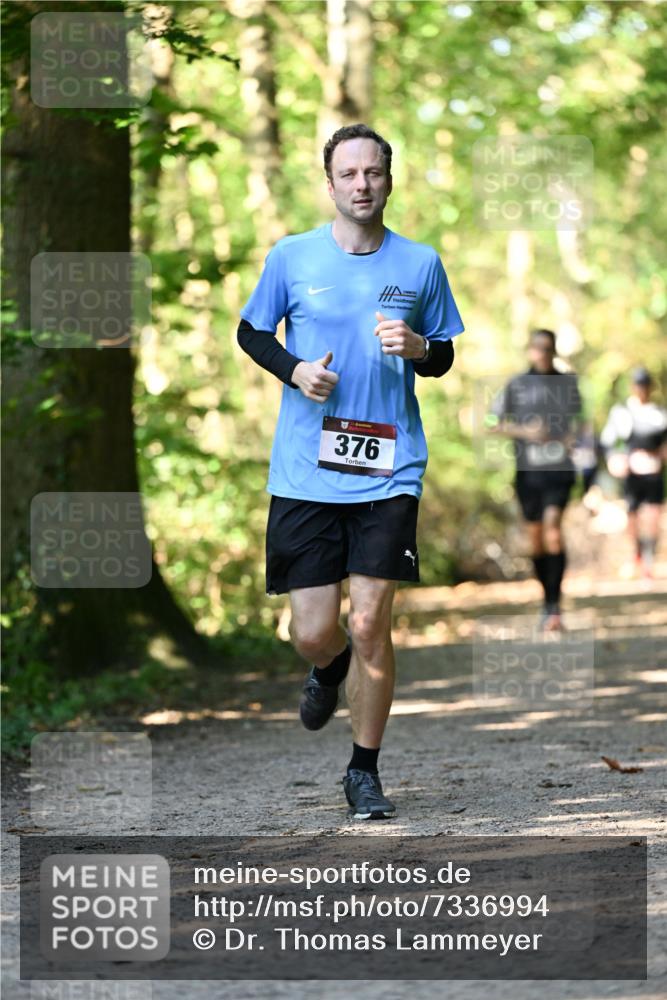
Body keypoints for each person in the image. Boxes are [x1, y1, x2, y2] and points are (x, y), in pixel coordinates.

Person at [237, 123, 464, 819]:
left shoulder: (420, 263)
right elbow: (251, 332)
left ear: (388, 180)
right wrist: (294, 368)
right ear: (329, 183)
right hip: (306, 470)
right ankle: (325, 668)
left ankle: (362, 771)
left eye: (373, 173)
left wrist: (421, 345)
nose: (361, 184)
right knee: (314, 630)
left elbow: (445, 355)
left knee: (369, 621)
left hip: (389, 467)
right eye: (349, 174)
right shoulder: (291, 256)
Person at [487, 329, 582, 632]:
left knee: (553, 530)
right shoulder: (517, 385)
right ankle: (546, 601)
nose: (542, 353)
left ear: (554, 351)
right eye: (537, 348)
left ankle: (555, 606)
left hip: (560, 470)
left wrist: (572, 438)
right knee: (537, 538)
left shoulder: (568, 383)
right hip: (528, 473)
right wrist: (524, 432)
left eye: (548, 348)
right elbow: (491, 421)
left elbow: (581, 423)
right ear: (530, 351)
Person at [600, 367, 667, 579]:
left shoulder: (659, 413)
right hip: (632, 472)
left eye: (645, 386)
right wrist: (615, 459)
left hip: (654, 471)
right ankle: (636, 555)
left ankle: (649, 560)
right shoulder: (622, 413)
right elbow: (608, 441)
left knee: (653, 516)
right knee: (633, 517)